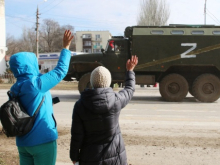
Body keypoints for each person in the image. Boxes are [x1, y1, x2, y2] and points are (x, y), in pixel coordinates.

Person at [9, 30, 73, 165]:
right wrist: (66, 48)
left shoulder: (15, 88)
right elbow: (60, 71)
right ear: (30, 65)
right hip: (41, 141)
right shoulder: (35, 84)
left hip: (23, 143)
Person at [70, 55, 138, 165]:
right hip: (115, 158)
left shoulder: (80, 105)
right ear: (108, 82)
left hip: (90, 158)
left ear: (92, 82)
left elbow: (76, 135)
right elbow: (129, 89)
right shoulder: (116, 100)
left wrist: (74, 156)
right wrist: (130, 71)